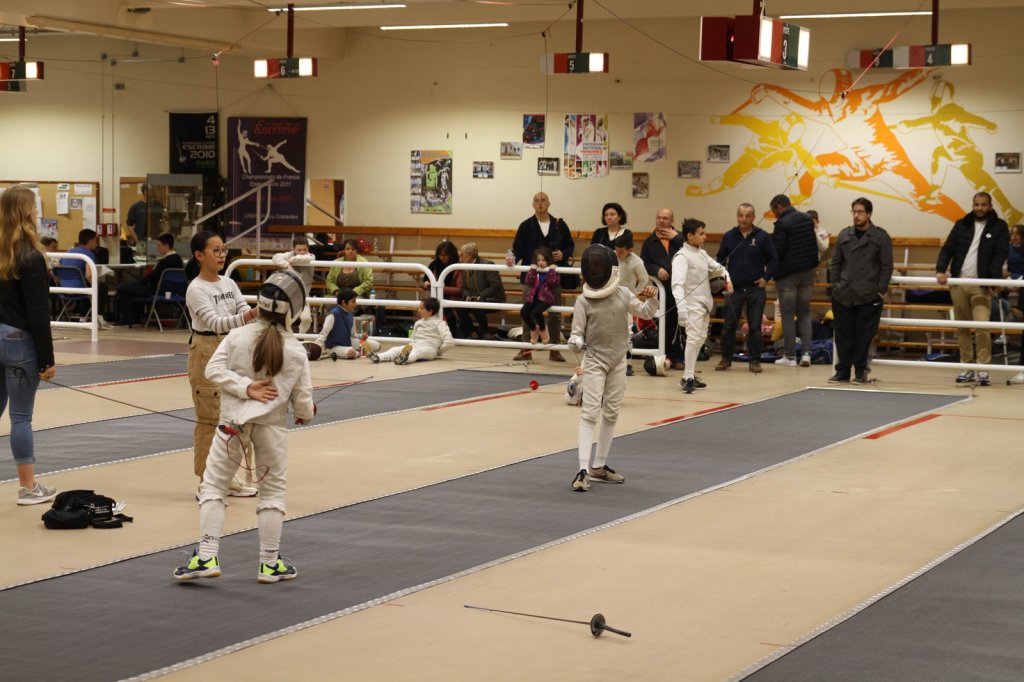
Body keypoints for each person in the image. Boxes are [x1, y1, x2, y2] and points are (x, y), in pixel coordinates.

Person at [174, 270, 314, 583]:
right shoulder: (295, 350)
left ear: (259, 304)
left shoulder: (237, 336)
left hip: (231, 425)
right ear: (294, 310)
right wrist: (304, 413)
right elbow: (304, 405)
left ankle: (206, 557)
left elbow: (213, 371)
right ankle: (269, 564)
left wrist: (243, 387)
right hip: (271, 430)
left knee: (214, 487)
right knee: (272, 493)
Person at [566, 245, 659, 492]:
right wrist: (575, 341)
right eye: (592, 266)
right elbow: (576, 332)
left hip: (618, 360)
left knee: (611, 413)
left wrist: (652, 297)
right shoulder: (583, 300)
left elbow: (646, 313)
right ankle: (583, 471)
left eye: (599, 266)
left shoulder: (624, 293)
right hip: (595, 360)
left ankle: (599, 466)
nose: (596, 270)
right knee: (589, 413)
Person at [185, 230, 260, 495]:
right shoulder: (196, 289)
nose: (221, 255)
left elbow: (242, 309)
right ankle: (207, 481)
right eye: (215, 250)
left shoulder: (228, 283)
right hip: (206, 349)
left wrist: (253, 314)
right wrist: (253, 314)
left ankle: (226, 477)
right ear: (199, 255)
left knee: (234, 416)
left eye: (223, 250)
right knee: (209, 418)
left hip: (233, 348)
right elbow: (215, 323)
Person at [0, 184, 58, 506]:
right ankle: (27, 487)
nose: (37, 212)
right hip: (18, 341)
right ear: (25, 212)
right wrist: (47, 359)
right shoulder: (30, 255)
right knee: (21, 417)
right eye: (34, 207)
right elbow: (38, 312)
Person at [936, 191, 1010, 385]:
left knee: (982, 326)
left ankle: (983, 368)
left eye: (983, 204)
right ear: (973, 205)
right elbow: (948, 248)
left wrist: (993, 280)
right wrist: (940, 270)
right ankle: (967, 366)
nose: (980, 208)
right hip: (959, 283)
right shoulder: (962, 224)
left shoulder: (999, 226)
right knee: (962, 327)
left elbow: (1000, 254)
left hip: (981, 285)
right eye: (976, 204)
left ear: (990, 206)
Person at [828, 198, 893, 384]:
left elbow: (887, 266)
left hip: (868, 294)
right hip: (843, 293)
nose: (857, 215)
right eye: (854, 212)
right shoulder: (844, 235)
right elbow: (836, 262)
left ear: (869, 214)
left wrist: (880, 291)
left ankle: (860, 372)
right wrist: (834, 286)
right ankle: (842, 371)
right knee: (843, 335)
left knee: (864, 336)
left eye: (860, 212)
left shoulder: (880, 237)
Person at [509, 192, 574, 362]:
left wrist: (564, 254)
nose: (540, 204)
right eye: (537, 201)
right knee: (527, 312)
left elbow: (570, 246)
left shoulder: (559, 225)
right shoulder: (525, 226)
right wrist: (512, 259)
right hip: (530, 278)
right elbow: (516, 249)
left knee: (554, 314)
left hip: (553, 279)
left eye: (543, 200)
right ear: (533, 205)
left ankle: (554, 349)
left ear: (549, 203)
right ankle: (526, 349)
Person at [716, 203, 778, 373]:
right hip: (733, 288)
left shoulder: (762, 236)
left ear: (753, 217)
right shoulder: (729, 236)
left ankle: (755, 360)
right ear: (737, 216)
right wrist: (723, 278)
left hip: (755, 289)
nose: (744, 219)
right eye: (741, 215)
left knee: (755, 327)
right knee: (728, 326)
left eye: (747, 216)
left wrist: (766, 278)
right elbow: (720, 259)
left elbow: (773, 260)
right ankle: (726, 359)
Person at [672, 219, 732, 394]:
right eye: (701, 234)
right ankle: (688, 377)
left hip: (705, 303)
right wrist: (681, 308)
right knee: (693, 338)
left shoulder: (702, 254)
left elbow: (719, 268)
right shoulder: (681, 257)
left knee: (699, 339)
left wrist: (728, 279)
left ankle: (688, 375)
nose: (705, 237)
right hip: (691, 304)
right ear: (690, 236)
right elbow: (677, 285)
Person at [769, 194, 820, 367]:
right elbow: (813, 246)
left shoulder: (782, 224)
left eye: (774, 211)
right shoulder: (807, 219)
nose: (774, 215)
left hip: (788, 276)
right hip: (807, 274)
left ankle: (790, 356)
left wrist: (771, 271)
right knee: (805, 314)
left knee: (788, 316)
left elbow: (778, 251)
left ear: (779, 207)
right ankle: (806, 354)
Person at [639, 208, 686, 368]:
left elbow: (693, 252)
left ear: (672, 221)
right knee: (665, 324)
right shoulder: (649, 242)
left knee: (681, 324)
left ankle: (679, 358)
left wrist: (677, 238)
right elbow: (643, 263)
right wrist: (656, 269)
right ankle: (666, 356)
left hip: (681, 288)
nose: (661, 221)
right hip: (662, 290)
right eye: (659, 217)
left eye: (665, 218)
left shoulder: (681, 238)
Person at [112, 232, 184, 326]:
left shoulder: (163, 261)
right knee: (132, 287)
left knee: (122, 288)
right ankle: (136, 317)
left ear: (166, 246)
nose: (157, 248)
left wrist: (139, 282)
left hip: (157, 291)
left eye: (159, 245)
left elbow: (152, 278)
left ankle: (127, 319)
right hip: (173, 292)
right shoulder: (178, 260)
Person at [368, 297, 454, 365]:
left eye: (422, 308)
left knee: (416, 352)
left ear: (430, 311)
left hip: (429, 348)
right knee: (395, 349)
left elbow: (449, 342)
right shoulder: (418, 322)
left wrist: (438, 351)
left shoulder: (440, 323)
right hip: (415, 345)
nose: (419, 310)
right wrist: (410, 345)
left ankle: (405, 359)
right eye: (419, 308)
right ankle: (378, 357)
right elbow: (413, 339)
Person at [314, 288, 380, 360]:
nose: (355, 304)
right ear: (344, 302)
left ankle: (361, 352)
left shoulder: (350, 315)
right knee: (351, 352)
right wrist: (317, 350)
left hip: (348, 343)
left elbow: (353, 334)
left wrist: (361, 336)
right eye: (353, 302)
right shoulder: (332, 315)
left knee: (377, 345)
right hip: (333, 347)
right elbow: (322, 335)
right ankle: (360, 353)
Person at [458, 242, 505, 342]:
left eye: (461, 254)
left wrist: (481, 296)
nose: (460, 257)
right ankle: (472, 333)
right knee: (460, 306)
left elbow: (495, 286)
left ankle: (485, 333)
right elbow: (464, 287)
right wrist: (466, 296)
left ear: (469, 255)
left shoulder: (488, 265)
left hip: (493, 299)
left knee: (476, 304)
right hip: (474, 299)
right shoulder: (465, 266)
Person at [272, 236, 315, 333]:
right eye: (299, 250)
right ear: (294, 249)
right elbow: (275, 257)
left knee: (306, 319)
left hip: (303, 296)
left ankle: (301, 337)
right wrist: (287, 265)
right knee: (285, 322)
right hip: (288, 295)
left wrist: (290, 260)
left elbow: (304, 259)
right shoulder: (290, 254)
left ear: (308, 248)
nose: (302, 252)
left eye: (305, 249)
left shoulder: (311, 256)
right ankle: (289, 338)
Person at [520, 246, 560, 347]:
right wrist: (532, 270)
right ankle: (533, 329)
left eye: (543, 260)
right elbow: (528, 281)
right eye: (538, 260)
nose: (541, 262)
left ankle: (542, 329)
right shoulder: (535, 270)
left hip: (546, 299)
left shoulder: (553, 270)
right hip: (533, 297)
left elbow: (553, 283)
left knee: (537, 312)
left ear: (548, 260)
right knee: (524, 312)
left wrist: (551, 271)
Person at [422, 240, 463, 337]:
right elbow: (425, 281)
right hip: (435, 297)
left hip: (453, 298)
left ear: (451, 254)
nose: (442, 258)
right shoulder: (434, 264)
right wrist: (426, 284)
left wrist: (441, 289)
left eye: (445, 255)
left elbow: (459, 289)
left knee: (448, 312)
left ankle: (451, 335)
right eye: (440, 255)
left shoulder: (458, 265)